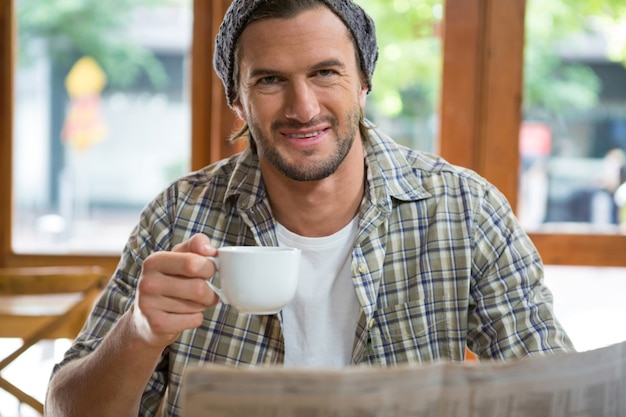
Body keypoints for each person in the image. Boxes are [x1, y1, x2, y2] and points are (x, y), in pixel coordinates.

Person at [45, 0, 575, 416]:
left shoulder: (465, 211)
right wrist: (139, 331)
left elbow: (557, 394)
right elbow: (64, 409)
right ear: (237, 97)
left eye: (325, 73)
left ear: (363, 82)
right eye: (270, 79)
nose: (303, 108)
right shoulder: (178, 215)